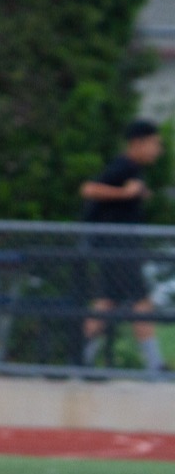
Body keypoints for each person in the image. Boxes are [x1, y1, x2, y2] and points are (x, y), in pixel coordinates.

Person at [80, 118, 167, 373]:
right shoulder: (124, 165)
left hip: (117, 246)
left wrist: (136, 194)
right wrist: (125, 194)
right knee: (141, 302)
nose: (157, 150)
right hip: (117, 246)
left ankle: (79, 359)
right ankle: (155, 366)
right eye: (154, 144)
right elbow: (89, 189)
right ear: (137, 143)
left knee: (106, 302)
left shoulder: (133, 169)